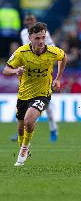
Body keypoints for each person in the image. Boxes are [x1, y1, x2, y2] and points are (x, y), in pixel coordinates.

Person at [3, 22, 67, 166]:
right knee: (20, 127)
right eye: (37, 38)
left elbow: (63, 57)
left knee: (29, 120)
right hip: (24, 94)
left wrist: (58, 78)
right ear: (30, 38)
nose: (41, 41)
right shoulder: (21, 52)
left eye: (43, 37)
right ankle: (23, 146)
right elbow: (6, 70)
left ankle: (24, 150)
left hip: (42, 94)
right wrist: (15, 71)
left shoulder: (52, 51)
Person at [10, 13, 59, 142]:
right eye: (27, 20)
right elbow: (24, 51)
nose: (29, 22)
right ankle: (21, 130)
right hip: (28, 73)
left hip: (42, 72)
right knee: (24, 101)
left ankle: (53, 129)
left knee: (46, 104)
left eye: (31, 20)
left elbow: (53, 50)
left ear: (35, 21)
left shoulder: (45, 35)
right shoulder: (23, 33)